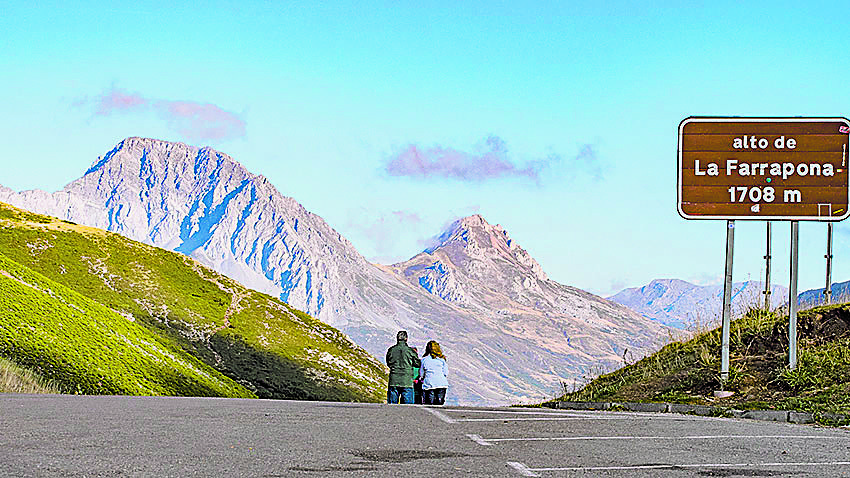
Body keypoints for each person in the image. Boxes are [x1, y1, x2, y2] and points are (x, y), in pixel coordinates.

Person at [385, 330, 421, 404]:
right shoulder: (410, 351)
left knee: (392, 405)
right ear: (406, 339)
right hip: (407, 380)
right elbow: (417, 363)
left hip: (394, 379)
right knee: (408, 407)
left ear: (397, 338)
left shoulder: (391, 350)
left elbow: (388, 363)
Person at [419, 340, 448, 405]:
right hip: (441, 383)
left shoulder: (424, 360)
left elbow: (421, 374)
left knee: (429, 404)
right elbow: (445, 373)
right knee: (439, 403)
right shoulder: (442, 360)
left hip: (429, 384)